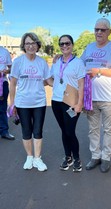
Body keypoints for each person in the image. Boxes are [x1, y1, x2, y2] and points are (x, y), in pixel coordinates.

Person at [81, 18, 111, 173]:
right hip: (90, 97)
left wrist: (97, 71)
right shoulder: (89, 47)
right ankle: (95, 156)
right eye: (96, 29)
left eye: (102, 30)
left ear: (109, 32)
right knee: (93, 129)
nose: (99, 32)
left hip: (108, 98)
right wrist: (63, 59)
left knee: (108, 129)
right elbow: (79, 65)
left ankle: (106, 157)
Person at [9, 32, 52, 172]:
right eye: (27, 43)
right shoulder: (18, 62)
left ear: (37, 45)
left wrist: (63, 82)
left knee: (38, 131)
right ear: (23, 45)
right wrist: (12, 103)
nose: (30, 46)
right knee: (26, 131)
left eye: (33, 43)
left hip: (39, 102)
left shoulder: (42, 62)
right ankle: (29, 156)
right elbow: (13, 83)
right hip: (22, 103)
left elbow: (49, 80)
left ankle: (37, 158)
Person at [50, 34, 85, 172]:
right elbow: (49, 79)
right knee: (64, 130)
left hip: (71, 103)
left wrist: (79, 104)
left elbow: (81, 85)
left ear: (72, 45)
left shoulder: (78, 63)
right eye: (62, 44)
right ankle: (68, 157)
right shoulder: (56, 62)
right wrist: (56, 87)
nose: (64, 46)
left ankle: (76, 158)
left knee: (70, 131)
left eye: (67, 43)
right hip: (56, 102)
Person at [0, 37, 15, 140]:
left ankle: (4, 131)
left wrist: (6, 71)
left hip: (2, 83)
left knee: (2, 107)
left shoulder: (5, 52)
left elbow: (11, 68)